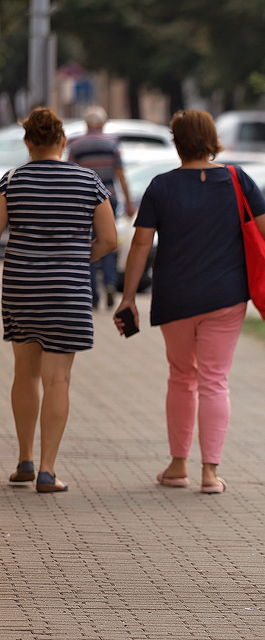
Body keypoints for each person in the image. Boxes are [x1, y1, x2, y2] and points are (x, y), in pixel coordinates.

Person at [113, 110, 265, 494]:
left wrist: (127, 298)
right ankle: (209, 473)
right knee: (214, 380)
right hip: (225, 296)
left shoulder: (161, 186)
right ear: (212, 138)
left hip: (174, 297)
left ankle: (176, 465)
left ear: (176, 141)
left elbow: (140, 243)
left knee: (181, 376)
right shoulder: (236, 179)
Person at [1, 107, 118, 492]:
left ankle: (24, 460)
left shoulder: (12, 181)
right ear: (63, 142)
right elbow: (109, 239)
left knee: (25, 374)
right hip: (67, 290)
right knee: (58, 379)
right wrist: (73, 258)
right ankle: (49, 471)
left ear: (27, 142)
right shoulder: (88, 180)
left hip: (22, 288)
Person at [67, 106, 134, 310]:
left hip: (81, 200)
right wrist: (129, 200)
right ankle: (110, 283)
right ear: (102, 123)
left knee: (87, 243)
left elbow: (69, 172)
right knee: (107, 242)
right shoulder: (112, 143)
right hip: (109, 199)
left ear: (86, 124)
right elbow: (120, 173)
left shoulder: (76, 145)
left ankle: (92, 295)